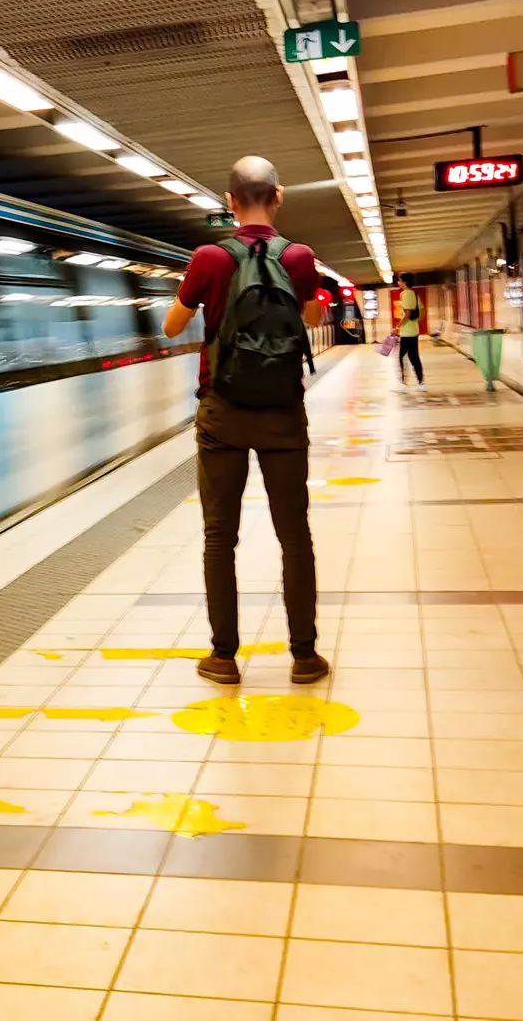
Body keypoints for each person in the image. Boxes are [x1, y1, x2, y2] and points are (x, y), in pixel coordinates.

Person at [162, 156, 329, 686]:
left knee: (219, 537)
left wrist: (196, 301)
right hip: (282, 410)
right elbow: (313, 317)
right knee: (294, 535)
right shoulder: (299, 257)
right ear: (278, 197)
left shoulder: (209, 257)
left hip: (222, 412)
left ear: (229, 202)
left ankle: (224, 657)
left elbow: (172, 327)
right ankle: (304, 656)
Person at [396, 274, 425, 388]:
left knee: (402, 356)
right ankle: (420, 381)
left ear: (404, 282)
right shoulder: (414, 294)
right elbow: (422, 311)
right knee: (413, 356)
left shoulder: (406, 294)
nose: (398, 283)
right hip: (413, 330)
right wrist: (416, 322)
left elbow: (407, 313)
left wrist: (397, 327)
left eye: (399, 280)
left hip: (407, 332)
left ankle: (403, 382)